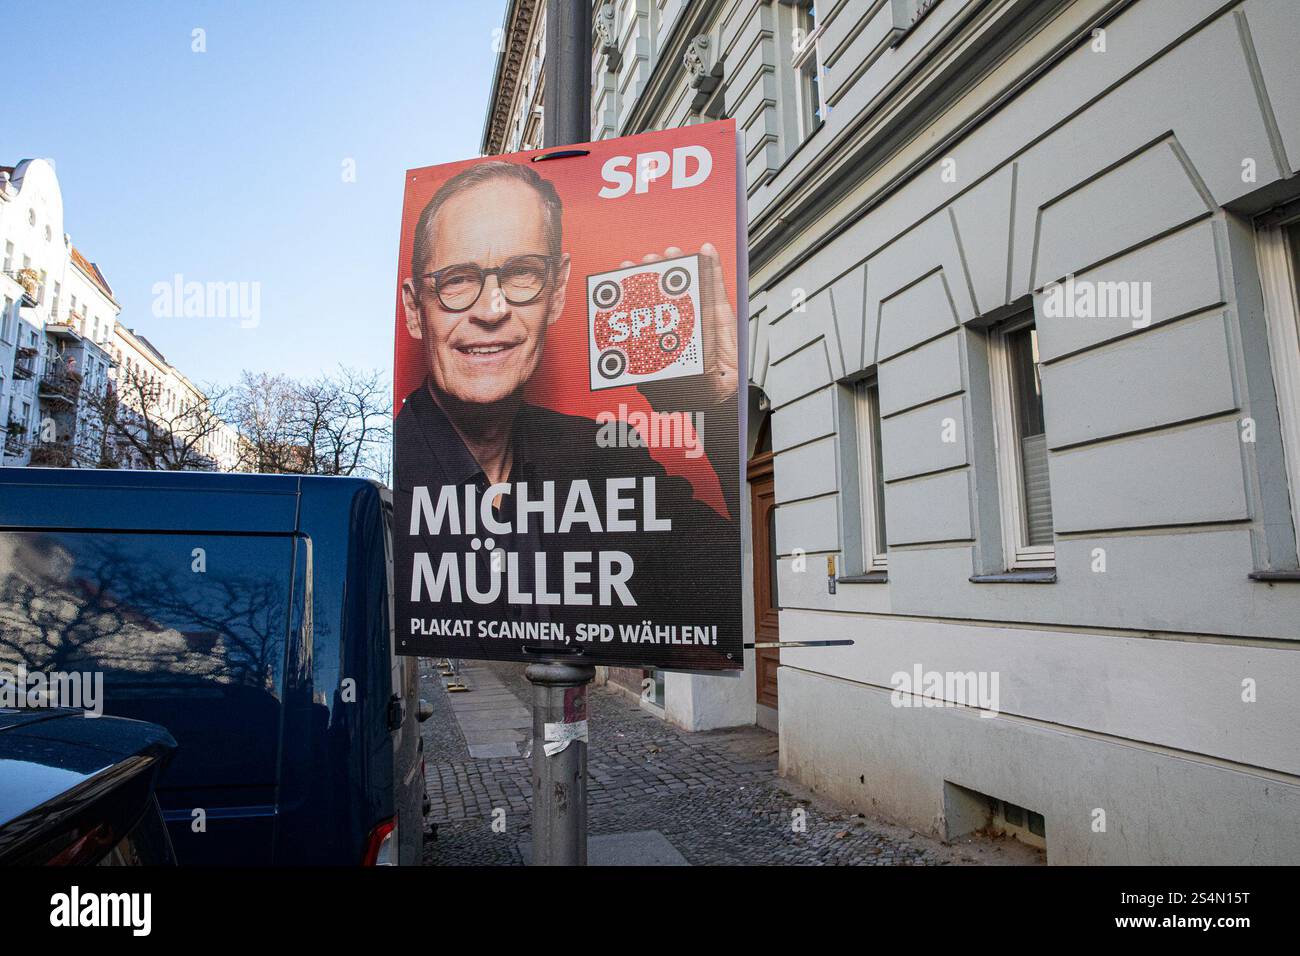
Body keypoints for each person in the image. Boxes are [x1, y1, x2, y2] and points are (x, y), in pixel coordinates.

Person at [394, 160, 740, 664]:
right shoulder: (390, 491)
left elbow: (737, 592)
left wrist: (713, 405)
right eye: (457, 279)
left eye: (521, 274)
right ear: (413, 307)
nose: (491, 310)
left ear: (556, 294)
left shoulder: (604, 457)